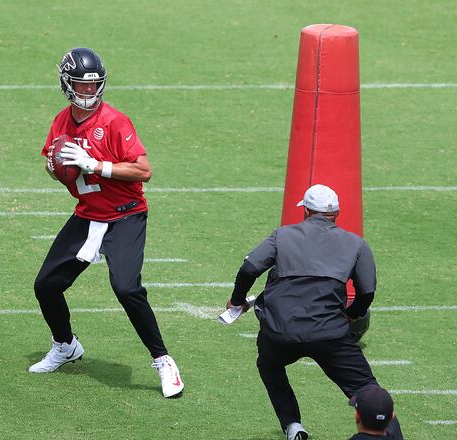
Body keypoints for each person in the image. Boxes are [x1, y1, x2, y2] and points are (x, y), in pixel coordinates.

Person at [28, 47, 184, 399]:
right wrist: (55, 170)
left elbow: (144, 170)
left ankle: (163, 360)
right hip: (89, 214)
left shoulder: (114, 121)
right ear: (66, 85)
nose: (88, 92)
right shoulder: (61, 121)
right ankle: (65, 345)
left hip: (126, 214)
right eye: (81, 87)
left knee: (127, 288)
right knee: (46, 286)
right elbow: (53, 163)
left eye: (93, 86)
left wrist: (96, 164)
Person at [226, 184, 403, 439]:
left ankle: (292, 424)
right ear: (337, 214)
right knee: (367, 389)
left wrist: (237, 300)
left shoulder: (282, 236)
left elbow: (249, 269)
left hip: (280, 332)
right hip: (331, 334)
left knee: (269, 364)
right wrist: (351, 314)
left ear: (306, 212)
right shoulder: (356, 244)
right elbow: (366, 293)